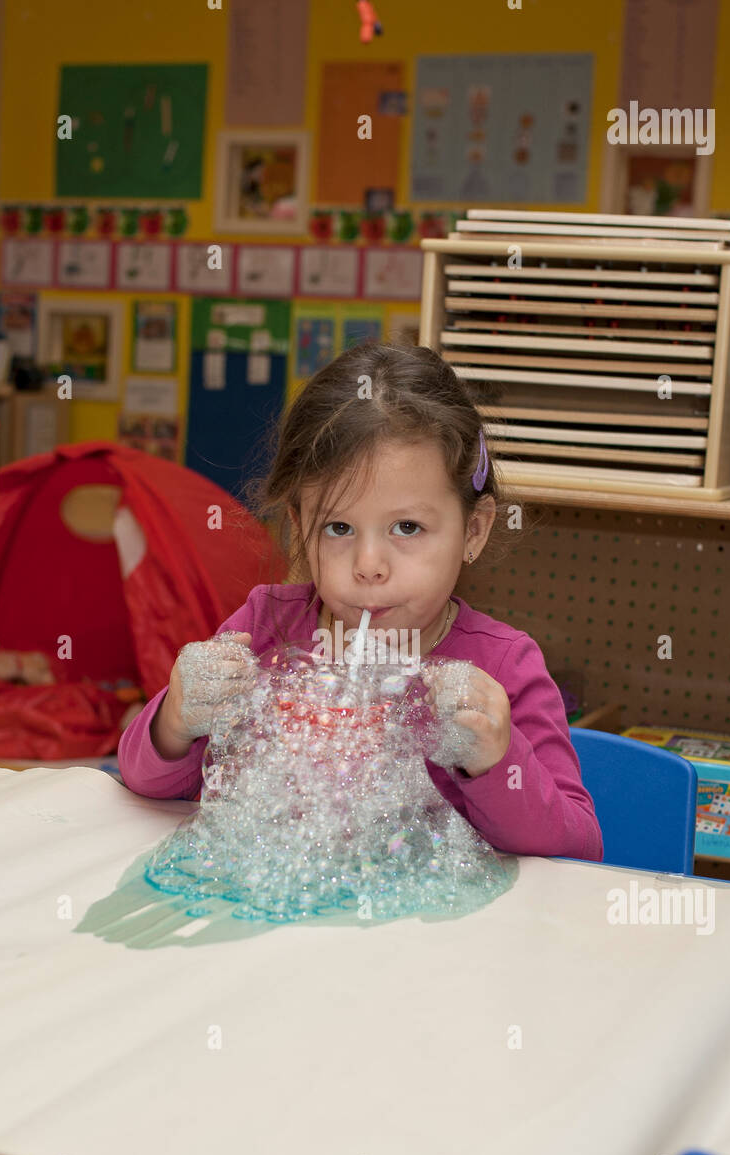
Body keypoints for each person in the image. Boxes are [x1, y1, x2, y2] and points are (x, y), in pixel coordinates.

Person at [118, 342, 602, 860]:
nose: (369, 563)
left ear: (474, 530)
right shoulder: (264, 626)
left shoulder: (504, 665)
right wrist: (176, 721)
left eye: (407, 527)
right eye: (339, 527)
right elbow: (146, 783)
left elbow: (578, 846)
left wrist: (495, 758)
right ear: (301, 528)